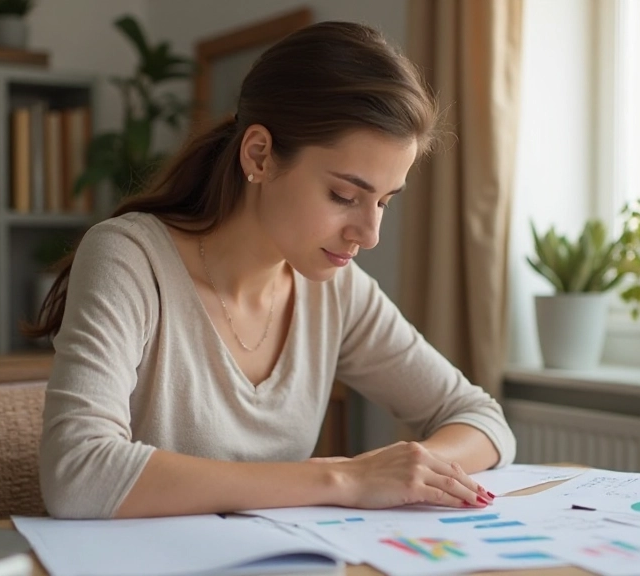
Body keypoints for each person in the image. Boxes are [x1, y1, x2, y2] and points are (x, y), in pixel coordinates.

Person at [26, 20, 516, 520]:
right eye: (344, 196)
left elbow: (482, 420)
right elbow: (77, 473)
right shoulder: (130, 260)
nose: (369, 235)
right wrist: (343, 479)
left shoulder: (338, 292)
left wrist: (408, 469)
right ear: (259, 154)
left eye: (384, 202)